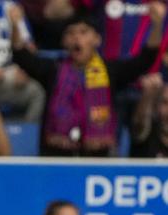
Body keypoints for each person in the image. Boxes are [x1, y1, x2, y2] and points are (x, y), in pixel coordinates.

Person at [11, 6, 166, 156]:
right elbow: (21, 56)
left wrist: (157, 24)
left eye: (84, 32)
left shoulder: (110, 71)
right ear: (64, 41)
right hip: (57, 157)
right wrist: (16, 25)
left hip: (99, 159)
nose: (77, 38)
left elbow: (145, 59)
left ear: (97, 39)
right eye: (71, 33)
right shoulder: (53, 70)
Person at [131, 73, 168, 156]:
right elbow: (140, 123)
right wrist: (148, 94)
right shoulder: (148, 134)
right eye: (165, 103)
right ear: (158, 105)